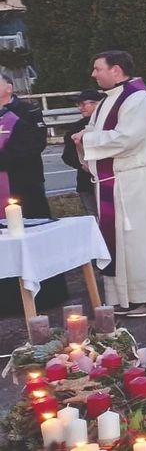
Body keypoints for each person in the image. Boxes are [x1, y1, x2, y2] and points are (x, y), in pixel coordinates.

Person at [72, 50, 146, 317]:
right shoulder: (107, 100)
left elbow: (128, 138)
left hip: (135, 181)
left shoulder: (138, 99)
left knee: (143, 240)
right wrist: (85, 134)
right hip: (114, 182)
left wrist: (87, 139)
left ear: (116, 69)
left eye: (98, 68)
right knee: (123, 243)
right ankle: (129, 296)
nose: (93, 74)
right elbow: (99, 131)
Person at [0, 74, 69, 314]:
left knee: (34, 237)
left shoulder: (28, 112)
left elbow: (31, 145)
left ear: (9, 87)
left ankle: (46, 294)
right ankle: (7, 299)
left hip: (23, 185)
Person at [61, 90, 105, 216]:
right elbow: (67, 155)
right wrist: (82, 164)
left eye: (83, 104)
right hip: (86, 181)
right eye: (78, 104)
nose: (80, 108)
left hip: (109, 179)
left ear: (97, 104)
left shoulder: (110, 124)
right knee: (94, 217)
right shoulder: (76, 127)